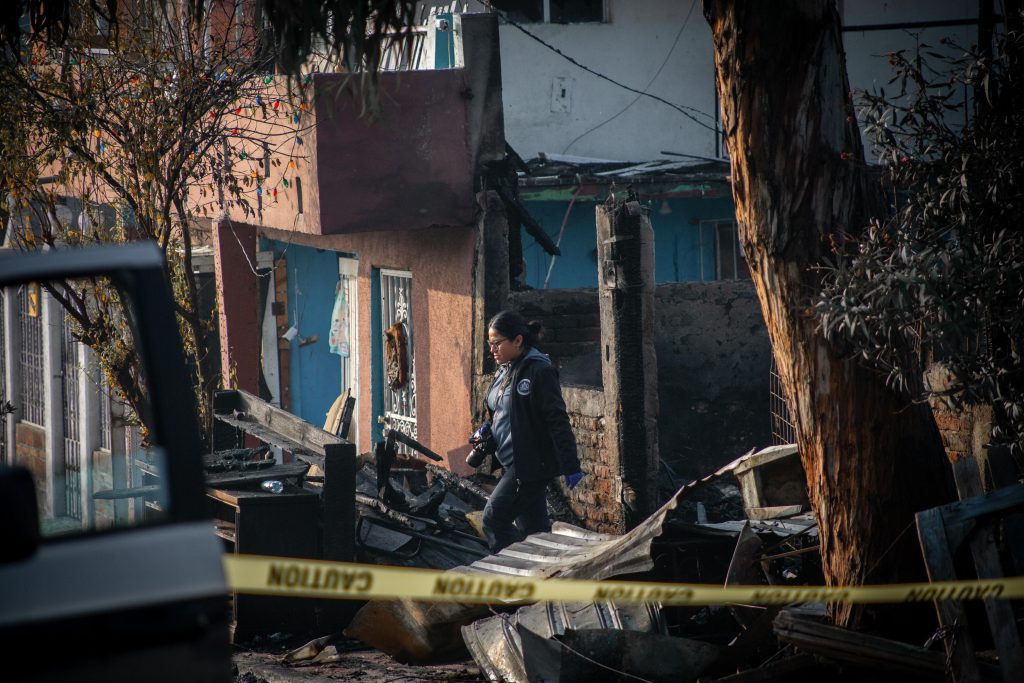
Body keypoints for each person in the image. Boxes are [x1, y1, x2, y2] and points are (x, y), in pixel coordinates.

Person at [481, 310, 583, 552]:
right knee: (535, 533)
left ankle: (515, 580)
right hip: (510, 460)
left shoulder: (539, 371)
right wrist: (486, 429)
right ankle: (545, 580)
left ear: (518, 340)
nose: (492, 350)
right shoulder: (505, 369)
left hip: (529, 465)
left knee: (494, 519)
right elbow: (499, 410)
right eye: (489, 344)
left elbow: (557, 420)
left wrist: (571, 465)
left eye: (497, 344)